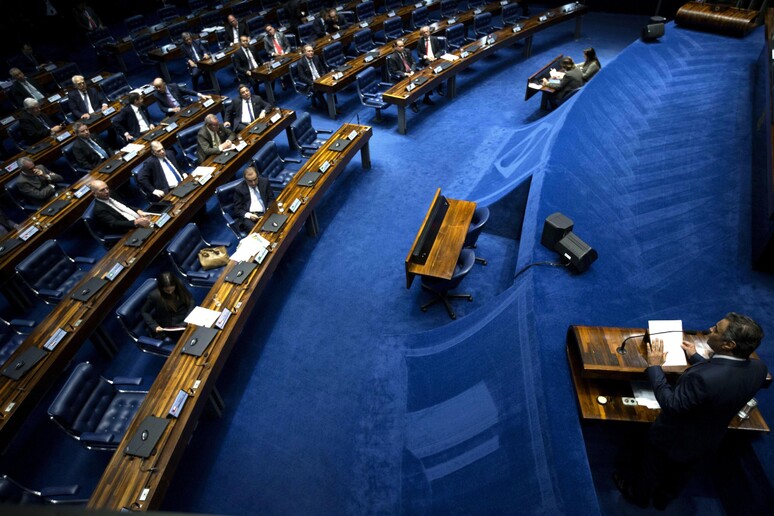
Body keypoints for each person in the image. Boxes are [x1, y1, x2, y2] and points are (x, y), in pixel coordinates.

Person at [614, 313, 769, 509]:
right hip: (709, 439)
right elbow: (726, 379)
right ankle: (663, 500)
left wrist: (654, 367)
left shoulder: (703, 379)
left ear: (729, 345)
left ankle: (638, 496)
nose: (710, 329)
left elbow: (672, 404)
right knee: (681, 474)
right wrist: (696, 357)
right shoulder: (759, 368)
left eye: (716, 329)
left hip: (671, 439)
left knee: (651, 468)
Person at [141, 271, 195, 339]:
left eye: (172, 289)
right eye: (167, 290)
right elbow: (144, 311)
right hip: (173, 324)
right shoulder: (154, 296)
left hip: (186, 315)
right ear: (161, 288)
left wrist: (189, 317)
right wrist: (154, 326)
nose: (170, 292)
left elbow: (190, 300)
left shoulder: (179, 284)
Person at [387, 39, 432, 113]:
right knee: (412, 87)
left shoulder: (407, 51)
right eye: (400, 46)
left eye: (403, 46)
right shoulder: (392, 57)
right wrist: (406, 74)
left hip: (412, 72)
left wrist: (412, 70)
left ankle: (426, 98)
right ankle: (413, 104)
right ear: (395, 47)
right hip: (402, 76)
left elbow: (413, 62)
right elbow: (394, 71)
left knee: (427, 79)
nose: (402, 48)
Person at [233, 166, 275, 234]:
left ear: (257, 176)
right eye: (250, 181)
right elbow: (237, 210)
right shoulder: (239, 189)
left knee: (276, 226)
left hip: (265, 211)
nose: (253, 183)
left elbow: (271, 198)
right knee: (258, 233)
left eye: (255, 179)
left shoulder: (264, 182)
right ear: (245, 180)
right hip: (250, 216)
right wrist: (249, 215)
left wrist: (268, 209)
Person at [296, 44, 327, 109]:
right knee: (317, 89)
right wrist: (313, 83)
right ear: (304, 52)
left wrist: (324, 77)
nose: (311, 53)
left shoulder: (316, 57)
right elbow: (302, 77)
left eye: (312, 51)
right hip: (310, 83)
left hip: (320, 78)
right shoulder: (300, 63)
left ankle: (333, 104)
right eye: (309, 51)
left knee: (331, 83)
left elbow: (322, 69)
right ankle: (327, 108)